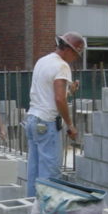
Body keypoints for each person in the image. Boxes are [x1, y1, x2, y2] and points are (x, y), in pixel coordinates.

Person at [24, 31, 84, 197]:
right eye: (76, 55)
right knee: (50, 175)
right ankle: (47, 211)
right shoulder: (62, 66)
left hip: (32, 119)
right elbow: (59, 99)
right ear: (69, 50)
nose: (74, 59)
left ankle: (32, 208)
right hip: (47, 123)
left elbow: (48, 94)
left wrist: (69, 91)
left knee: (34, 172)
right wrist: (70, 125)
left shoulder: (42, 61)